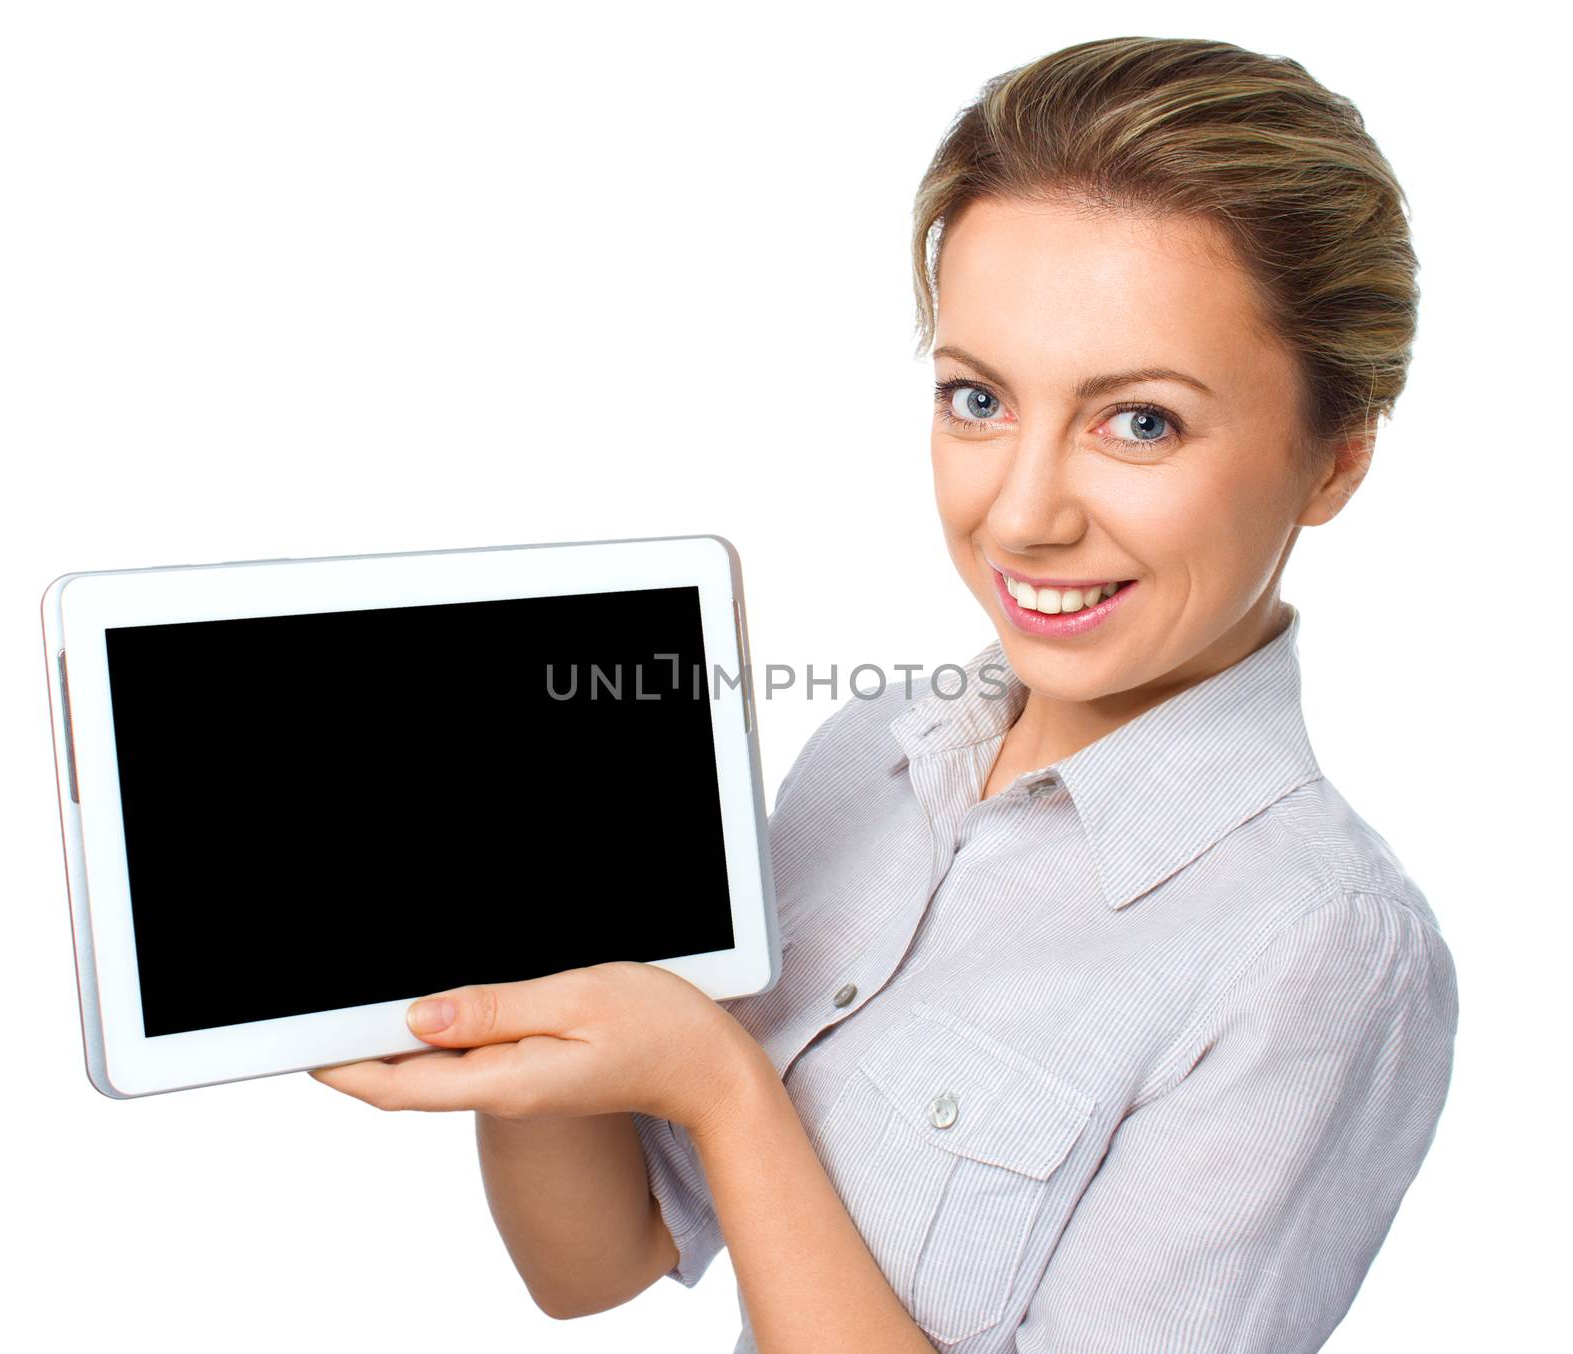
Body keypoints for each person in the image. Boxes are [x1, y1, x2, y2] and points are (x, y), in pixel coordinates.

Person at [310, 35, 1459, 1354]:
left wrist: (723, 1085)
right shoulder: (871, 756)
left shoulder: (1323, 954)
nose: (1022, 514)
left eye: (1138, 420)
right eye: (978, 397)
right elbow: (597, 1261)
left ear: (1335, 459)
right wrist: (522, 971)